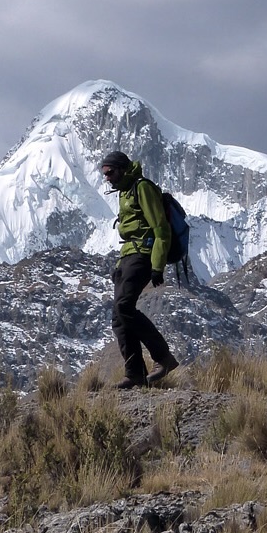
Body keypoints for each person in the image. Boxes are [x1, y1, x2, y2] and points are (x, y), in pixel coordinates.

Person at [99, 150, 180, 389]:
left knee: (124, 307)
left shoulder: (142, 188)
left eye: (110, 172)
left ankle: (163, 358)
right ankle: (134, 373)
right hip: (127, 257)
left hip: (142, 256)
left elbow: (160, 228)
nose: (107, 178)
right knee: (119, 316)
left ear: (123, 169)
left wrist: (157, 266)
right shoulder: (124, 192)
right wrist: (118, 265)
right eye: (104, 174)